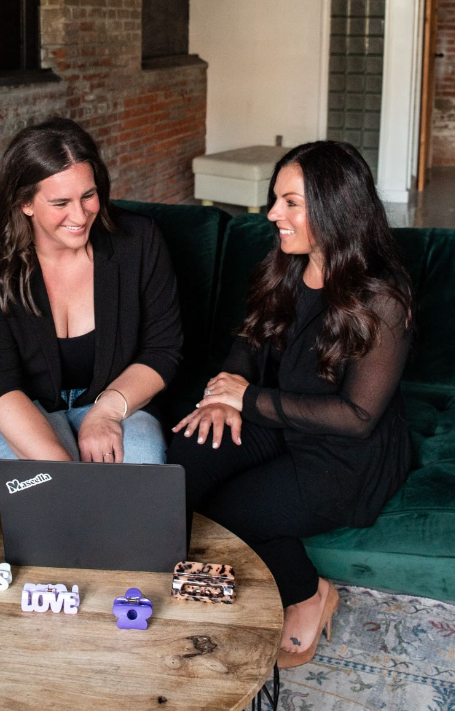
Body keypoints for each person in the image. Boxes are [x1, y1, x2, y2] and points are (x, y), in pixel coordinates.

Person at [167, 141, 414, 669]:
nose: (273, 213)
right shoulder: (287, 264)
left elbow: (357, 417)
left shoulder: (380, 299)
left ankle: (309, 595)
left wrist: (248, 398)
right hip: (279, 420)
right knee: (187, 454)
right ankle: (173, 584)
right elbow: (252, 336)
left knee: (230, 516)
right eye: (276, 200)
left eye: (291, 203)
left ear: (335, 207)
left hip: (343, 455)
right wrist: (225, 393)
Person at [0, 117, 182, 485]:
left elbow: (162, 350)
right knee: (59, 500)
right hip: (17, 404)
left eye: (88, 195)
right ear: (25, 202)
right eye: (60, 202)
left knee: (141, 497)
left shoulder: (139, 240)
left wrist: (106, 412)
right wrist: (65, 476)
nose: (81, 215)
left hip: (114, 394)